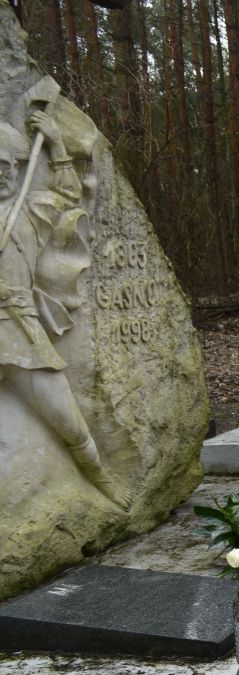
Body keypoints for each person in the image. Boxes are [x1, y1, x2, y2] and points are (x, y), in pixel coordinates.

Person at [0, 113, 128, 507]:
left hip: (18, 329)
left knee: (65, 417)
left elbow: (68, 196)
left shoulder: (26, 211)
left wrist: (56, 146)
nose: (2, 174)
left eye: (6, 166)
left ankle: (99, 475)